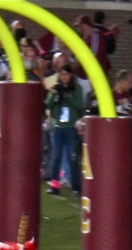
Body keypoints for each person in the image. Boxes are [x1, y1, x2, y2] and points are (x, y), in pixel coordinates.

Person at [44, 63, 84, 196]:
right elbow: (48, 105)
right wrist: (54, 94)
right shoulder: (57, 88)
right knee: (56, 157)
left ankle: (76, 187)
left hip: (71, 127)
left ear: (70, 75)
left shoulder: (76, 88)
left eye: (66, 74)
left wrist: (68, 97)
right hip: (58, 127)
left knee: (72, 157)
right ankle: (54, 186)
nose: (64, 77)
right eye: (62, 74)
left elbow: (80, 106)